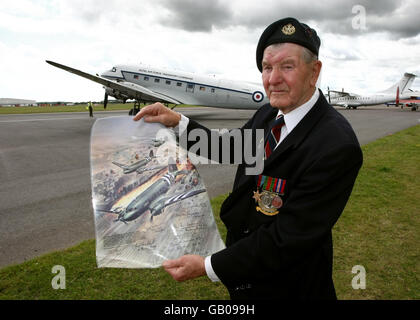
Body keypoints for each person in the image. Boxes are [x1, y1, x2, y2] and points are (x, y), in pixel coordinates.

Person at [133, 17, 363, 300]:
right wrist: (177, 122)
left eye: (287, 67)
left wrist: (208, 265)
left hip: (290, 287)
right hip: (247, 276)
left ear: (314, 72)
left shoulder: (336, 146)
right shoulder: (269, 113)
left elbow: (285, 240)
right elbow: (230, 147)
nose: (273, 79)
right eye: (267, 67)